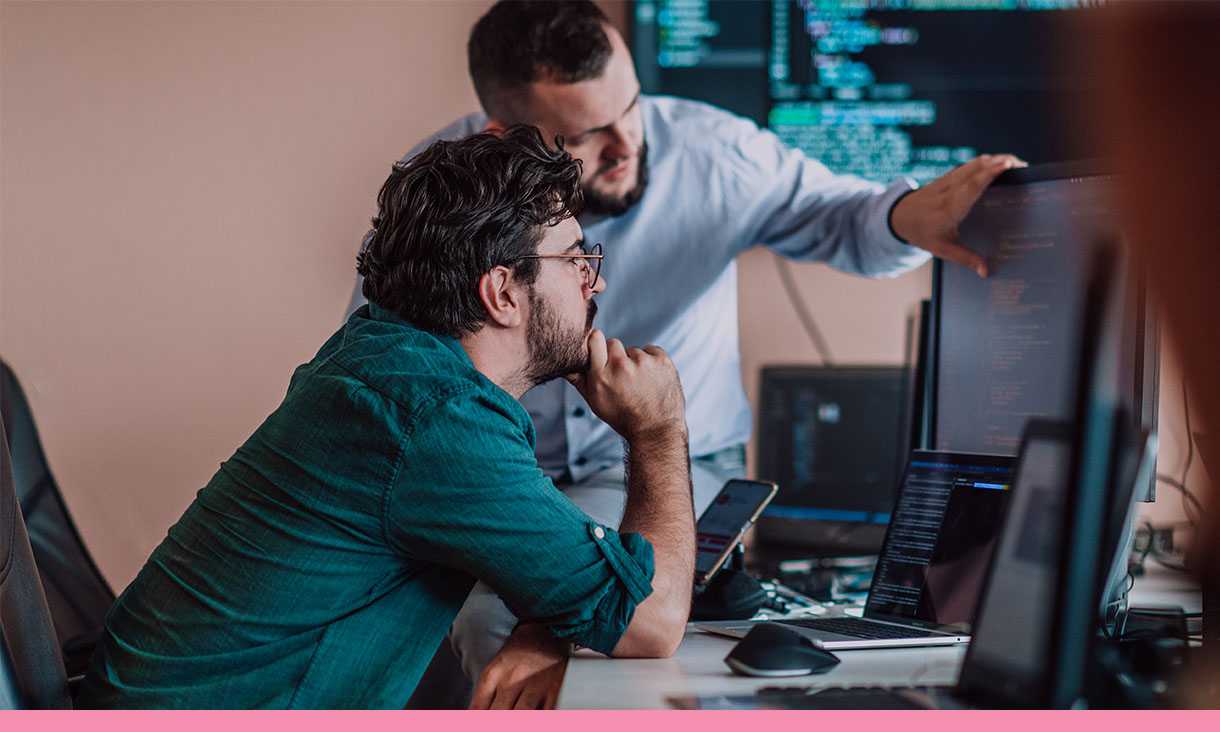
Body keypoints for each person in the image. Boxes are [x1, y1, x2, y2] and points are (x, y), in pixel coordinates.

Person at [344, 1, 1024, 703]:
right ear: (504, 137)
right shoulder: (448, 194)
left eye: (631, 107)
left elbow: (841, 216)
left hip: (660, 464)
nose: (627, 143)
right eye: (588, 133)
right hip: (505, 470)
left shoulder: (713, 153)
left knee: (496, 616)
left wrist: (910, 216)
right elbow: (389, 363)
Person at [78, 126, 696, 709]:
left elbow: (547, 565)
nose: (596, 283)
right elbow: (652, 619)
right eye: (577, 260)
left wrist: (551, 626)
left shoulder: (382, 353)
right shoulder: (438, 420)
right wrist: (658, 427)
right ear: (503, 293)